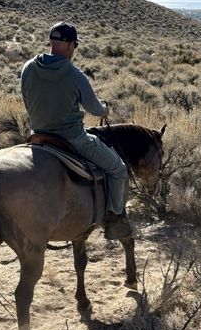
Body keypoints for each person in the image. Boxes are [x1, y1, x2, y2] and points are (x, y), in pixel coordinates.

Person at [20, 22, 131, 240]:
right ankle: (115, 220)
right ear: (71, 45)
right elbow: (95, 109)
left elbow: (26, 101)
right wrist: (105, 109)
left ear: (51, 42)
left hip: (38, 137)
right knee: (118, 169)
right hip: (72, 139)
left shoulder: (28, 68)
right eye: (74, 46)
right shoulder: (74, 74)